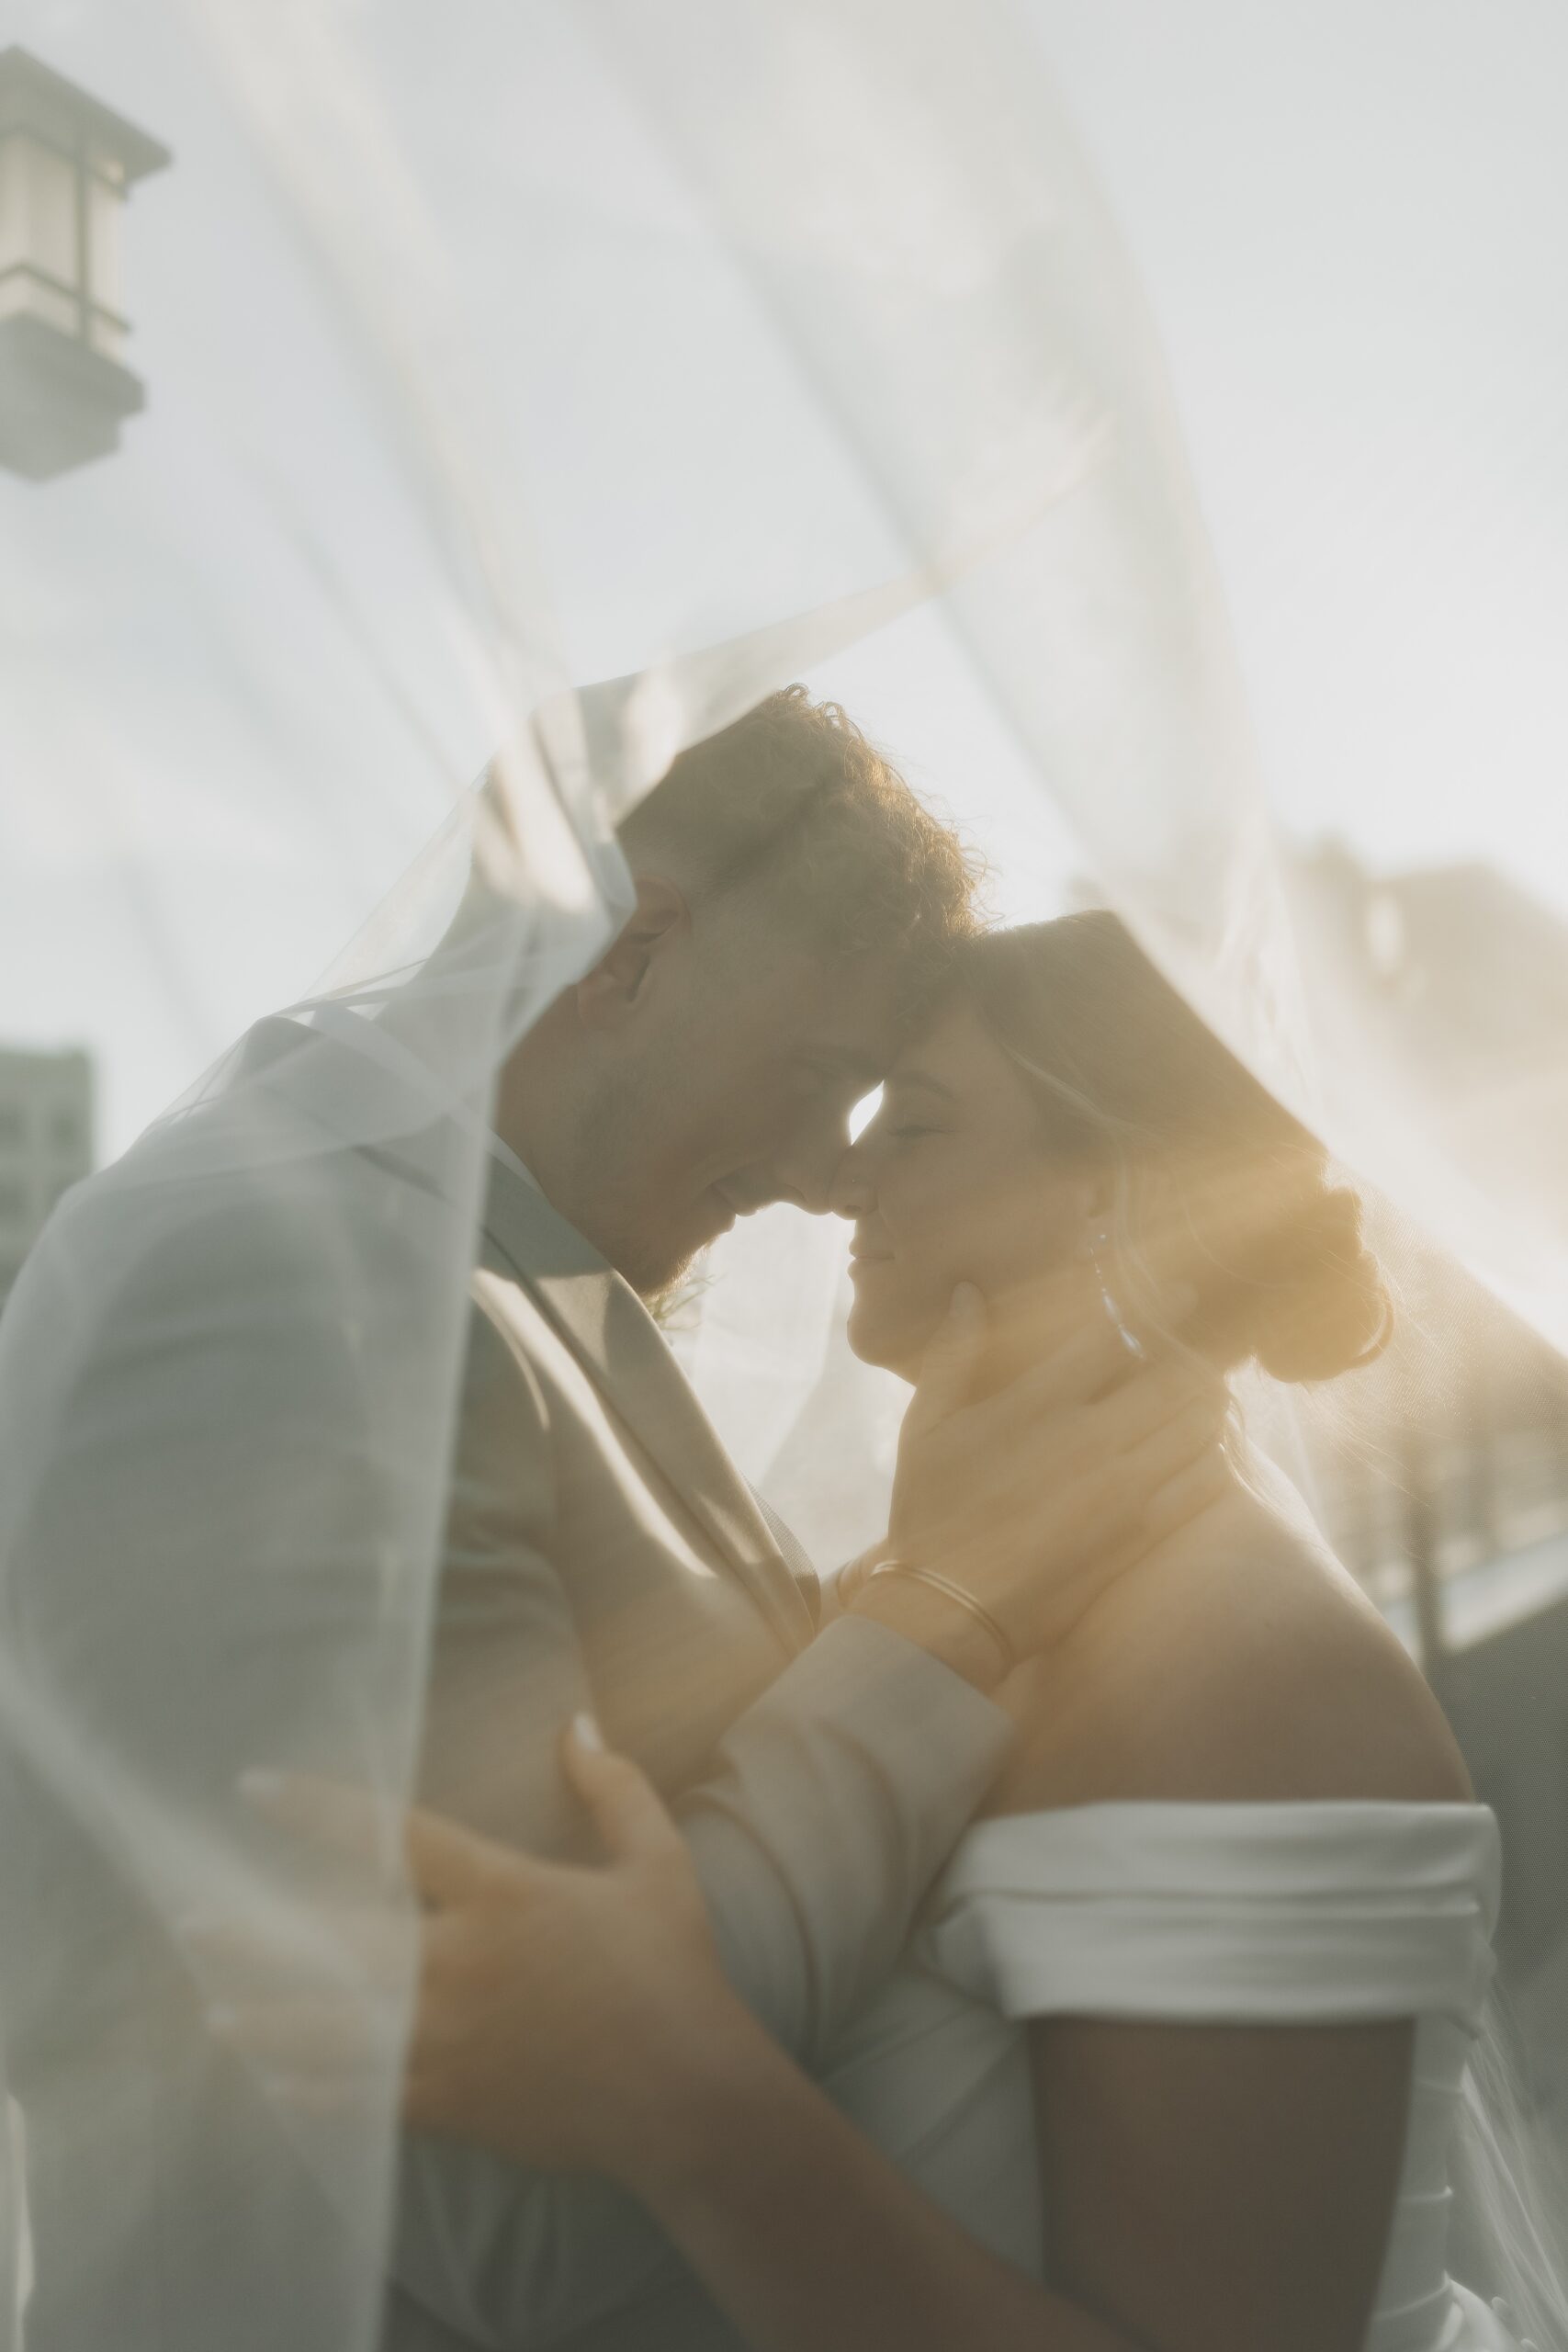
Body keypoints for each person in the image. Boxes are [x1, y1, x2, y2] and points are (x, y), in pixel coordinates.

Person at [0, 701, 1224, 2352]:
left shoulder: (489, 1285)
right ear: (634, 943)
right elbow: (538, 2205)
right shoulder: (295, 1289)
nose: (814, 1176)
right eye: (824, 1083)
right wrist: (944, 1605)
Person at [217, 913, 1534, 2352]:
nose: (843, 1180)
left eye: (914, 1123)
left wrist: (693, 2111)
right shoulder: (969, 1584)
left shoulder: (1256, 1675)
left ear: (1112, 1193)